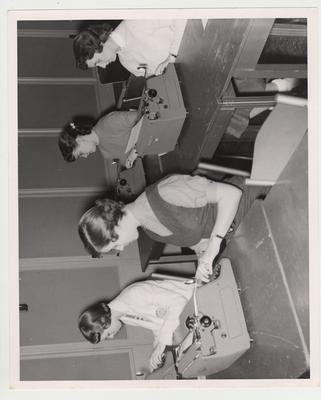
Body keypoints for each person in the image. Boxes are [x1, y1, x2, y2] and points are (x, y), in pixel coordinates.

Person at [78, 174, 255, 283]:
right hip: (245, 230)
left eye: (115, 246)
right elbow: (199, 242)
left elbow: (232, 194)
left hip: (255, 200)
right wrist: (203, 260)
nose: (122, 248)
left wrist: (215, 244)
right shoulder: (150, 231)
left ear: (114, 226)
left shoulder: (164, 193)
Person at [78, 279, 194, 371]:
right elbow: (158, 327)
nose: (112, 336)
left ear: (105, 322)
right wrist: (157, 351)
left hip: (196, 299)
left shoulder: (134, 294)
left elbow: (178, 302)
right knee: (182, 360)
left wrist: (162, 343)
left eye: (108, 334)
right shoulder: (124, 317)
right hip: (188, 319)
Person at [73, 20, 187, 77]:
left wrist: (172, 56)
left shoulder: (134, 22)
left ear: (100, 43)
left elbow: (181, 16)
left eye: (98, 62)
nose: (103, 66)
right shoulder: (126, 62)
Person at [58, 110, 139, 168]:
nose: (85, 156)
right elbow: (127, 160)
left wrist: (136, 149)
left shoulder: (109, 122)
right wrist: (128, 163)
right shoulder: (106, 154)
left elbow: (144, 117)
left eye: (80, 154)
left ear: (79, 140)